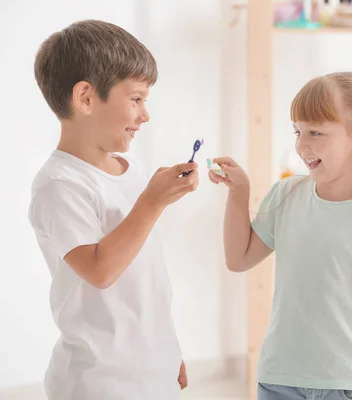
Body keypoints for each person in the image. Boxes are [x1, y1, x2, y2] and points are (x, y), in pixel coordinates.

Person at [209, 72, 352, 400]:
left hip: (348, 384)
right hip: (278, 378)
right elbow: (238, 259)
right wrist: (240, 193)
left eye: (315, 132)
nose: (301, 145)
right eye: (297, 131)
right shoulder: (286, 196)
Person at [28, 19, 198, 400]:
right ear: (86, 98)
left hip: (151, 370)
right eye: (136, 99)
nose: (145, 114)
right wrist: (152, 202)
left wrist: (166, 349)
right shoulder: (60, 184)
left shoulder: (132, 171)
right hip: (99, 382)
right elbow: (100, 270)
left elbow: (146, 280)